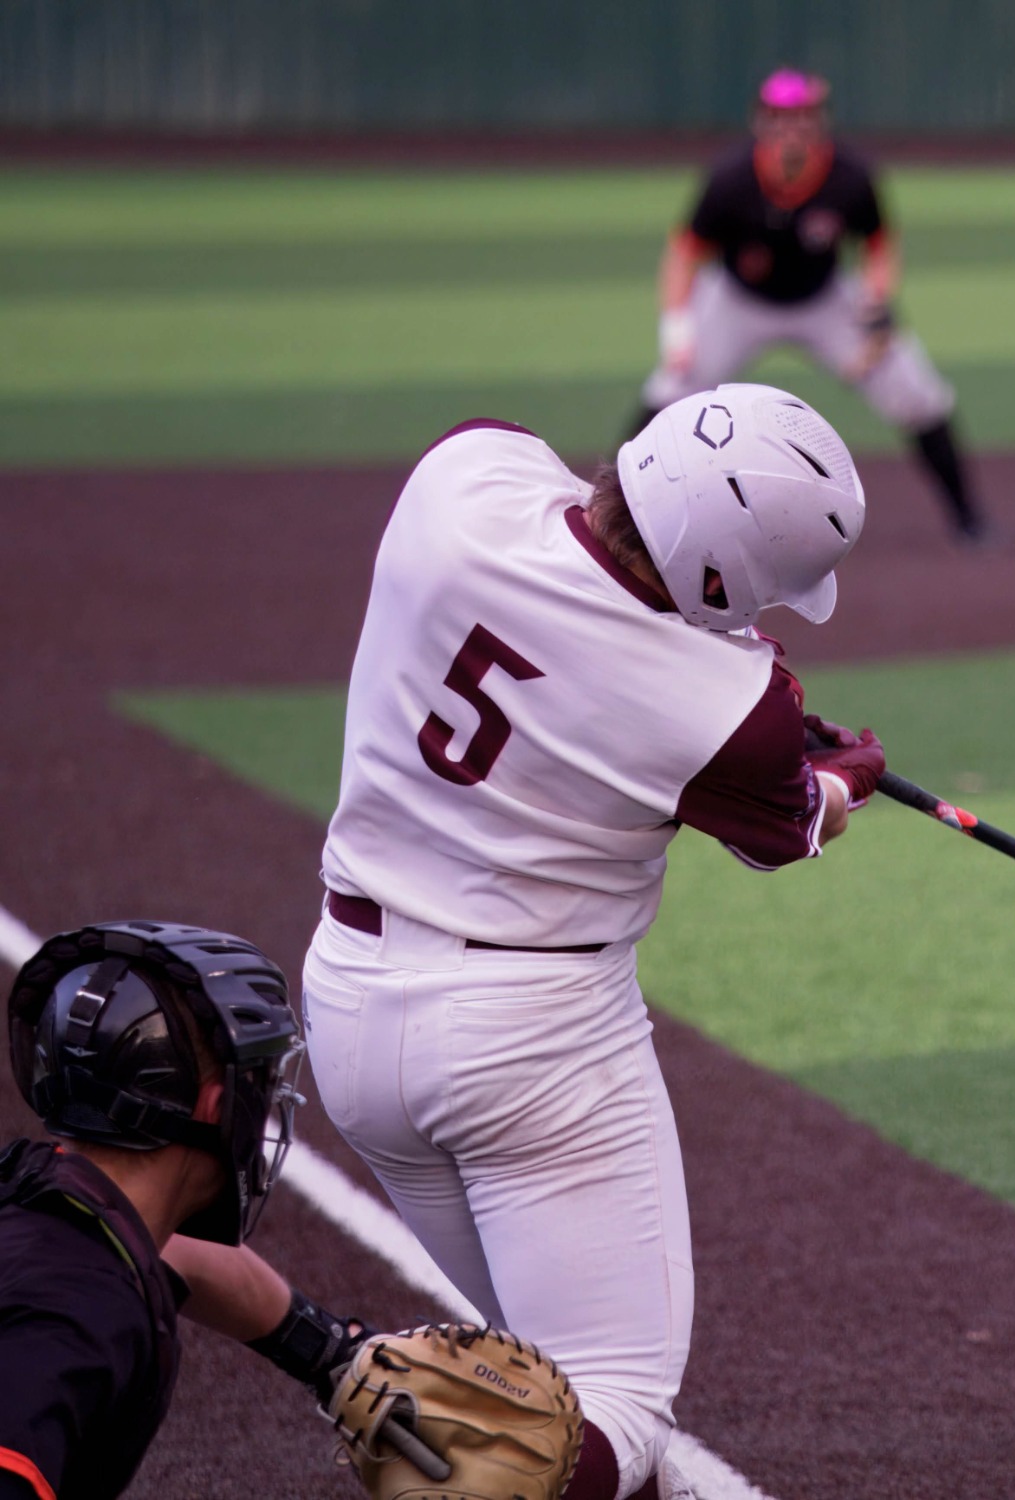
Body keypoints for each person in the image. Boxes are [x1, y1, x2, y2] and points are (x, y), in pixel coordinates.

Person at [303, 383, 887, 1500]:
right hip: (531, 1051)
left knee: (530, 1387)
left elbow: (579, 542)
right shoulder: (734, 706)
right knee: (601, 1417)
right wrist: (841, 770)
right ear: (718, 572)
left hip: (350, 1011)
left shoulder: (457, 482)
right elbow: (790, 826)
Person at [2, 921, 375, 1500]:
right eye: (261, 1085)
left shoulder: (40, 1198)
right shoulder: (74, 1318)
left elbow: (178, 1254)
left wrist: (331, 1354)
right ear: (218, 1107)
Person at [631, 68, 995, 546]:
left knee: (918, 394)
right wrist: (678, 330)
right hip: (738, 302)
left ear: (821, 121)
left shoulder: (850, 176)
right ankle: (620, 511)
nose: (792, 129)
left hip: (824, 301)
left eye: (803, 117)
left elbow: (879, 243)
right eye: (780, 118)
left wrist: (877, 302)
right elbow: (684, 253)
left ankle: (969, 520)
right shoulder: (730, 179)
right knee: (669, 392)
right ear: (759, 122)